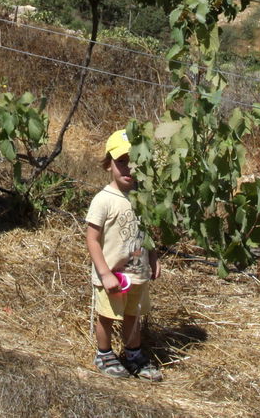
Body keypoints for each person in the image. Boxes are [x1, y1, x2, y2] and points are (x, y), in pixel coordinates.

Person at [85, 129, 162, 381]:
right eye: (122, 162)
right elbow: (92, 239)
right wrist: (105, 273)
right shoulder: (103, 200)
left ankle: (133, 354)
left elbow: (148, 231)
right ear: (109, 164)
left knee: (133, 315)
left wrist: (153, 258)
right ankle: (104, 354)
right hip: (113, 275)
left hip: (137, 272)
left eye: (135, 162)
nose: (129, 168)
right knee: (107, 316)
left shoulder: (143, 197)